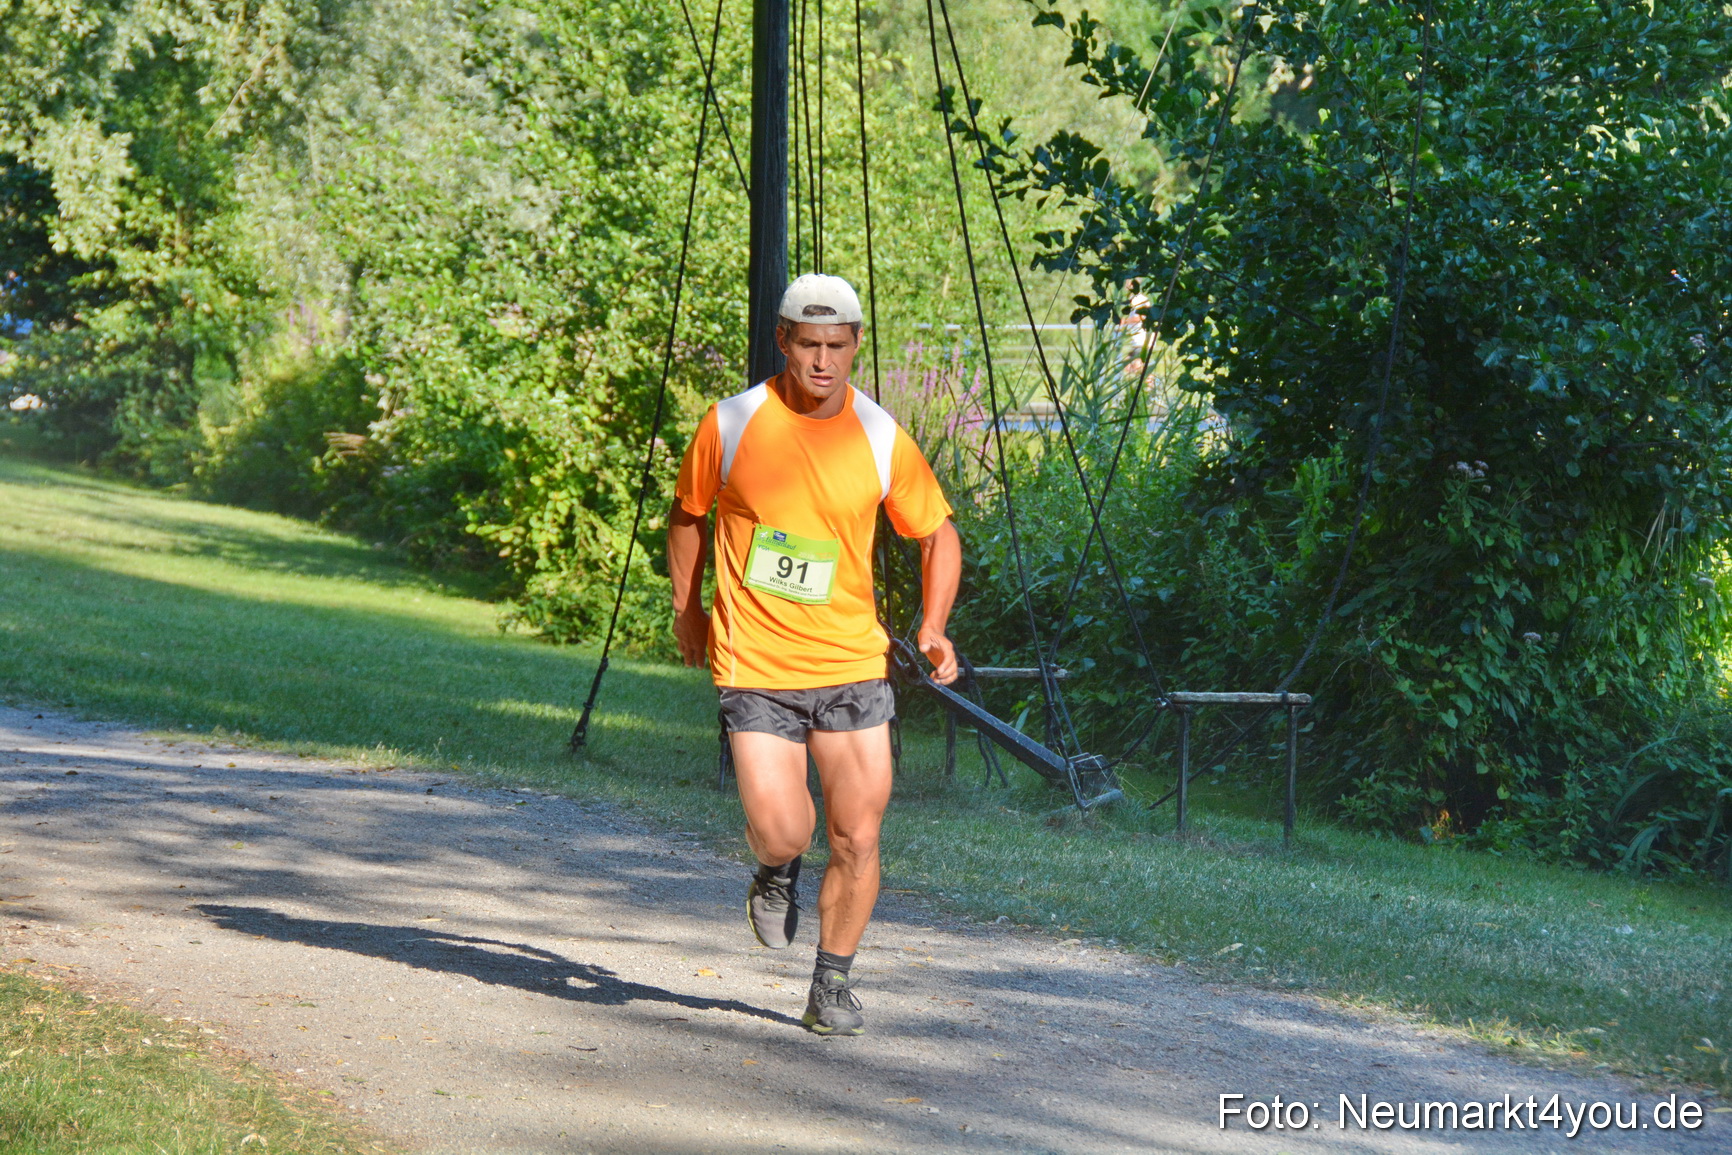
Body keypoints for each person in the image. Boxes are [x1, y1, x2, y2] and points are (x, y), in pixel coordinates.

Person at [667, 273, 961, 1036]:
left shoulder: (879, 434)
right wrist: (686, 609)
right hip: (756, 663)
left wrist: (933, 624)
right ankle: (774, 869)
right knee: (785, 829)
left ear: (856, 344)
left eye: (837, 346)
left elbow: (938, 534)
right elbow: (687, 515)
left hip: (851, 665)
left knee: (858, 835)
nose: (823, 361)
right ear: (783, 341)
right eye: (809, 345)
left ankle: (831, 983)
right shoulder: (731, 423)